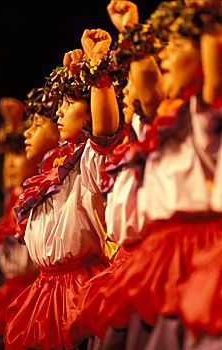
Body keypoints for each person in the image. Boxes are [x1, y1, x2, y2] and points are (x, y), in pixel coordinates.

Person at [87, 1, 222, 349]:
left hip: (200, 249)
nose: (163, 60)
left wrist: (207, 17)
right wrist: (128, 30)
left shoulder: (204, 111)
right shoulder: (161, 122)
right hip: (161, 253)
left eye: (175, 48)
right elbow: (147, 87)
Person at [4, 28, 125, 350]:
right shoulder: (55, 165)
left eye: (68, 103)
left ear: (89, 113)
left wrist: (97, 71)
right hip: (48, 287)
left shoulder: (89, 161)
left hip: (80, 288)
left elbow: (105, 131)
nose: (58, 112)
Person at [0, 97, 39, 349]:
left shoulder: (39, 193)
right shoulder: (12, 197)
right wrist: (10, 124)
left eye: (18, 154)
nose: (10, 164)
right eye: (7, 157)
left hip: (32, 290)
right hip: (11, 291)